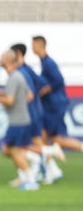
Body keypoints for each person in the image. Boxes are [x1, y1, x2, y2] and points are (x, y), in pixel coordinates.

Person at [0, 50, 39, 191]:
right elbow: (30, 96)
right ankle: (32, 161)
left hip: (17, 121)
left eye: (1, 57)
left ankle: (31, 179)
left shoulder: (14, 77)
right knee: (10, 150)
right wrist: (8, 96)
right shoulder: (19, 76)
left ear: (7, 61)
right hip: (23, 119)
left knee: (12, 151)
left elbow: (10, 101)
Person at [11, 43, 65, 184]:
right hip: (33, 112)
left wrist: (38, 93)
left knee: (17, 146)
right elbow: (41, 82)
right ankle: (50, 169)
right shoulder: (26, 69)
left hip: (29, 114)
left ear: (18, 54)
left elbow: (43, 85)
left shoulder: (23, 71)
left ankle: (33, 172)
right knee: (35, 142)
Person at [32, 35, 83, 155]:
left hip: (54, 106)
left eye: (33, 45)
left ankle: (50, 168)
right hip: (54, 106)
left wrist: (45, 90)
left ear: (40, 45)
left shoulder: (48, 63)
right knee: (57, 139)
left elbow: (59, 80)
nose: (32, 48)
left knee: (43, 136)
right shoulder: (44, 62)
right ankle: (50, 167)